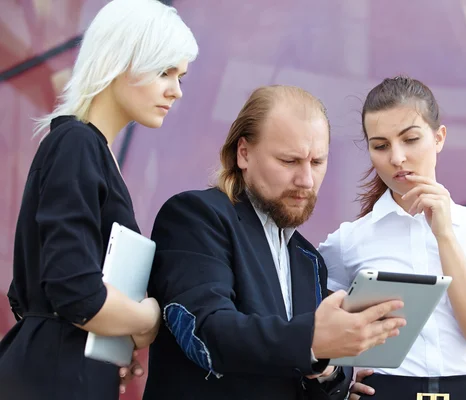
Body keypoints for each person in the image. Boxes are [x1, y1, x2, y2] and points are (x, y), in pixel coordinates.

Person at [142, 85, 406, 400]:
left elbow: (297, 373)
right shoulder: (195, 217)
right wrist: (313, 341)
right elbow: (206, 334)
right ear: (244, 153)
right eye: (289, 161)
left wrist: (333, 371)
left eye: (317, 162)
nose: (306, 180)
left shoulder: (309, 259)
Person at [0, 1, 198, 399]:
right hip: (54, 377)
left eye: (180, 75)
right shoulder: (77, 145)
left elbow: (37, 292)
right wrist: (147, 318)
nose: (176, 90)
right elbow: (75, 292)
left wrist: (110, 341)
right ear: (120, 61)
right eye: (164, 71)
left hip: (63, 368)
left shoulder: (86, 149)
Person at [318, 75, 466, 400]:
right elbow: (316, 337)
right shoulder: (347, 241)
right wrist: (339, 382)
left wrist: (444, 234)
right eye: (380, 145)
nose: (396, 157)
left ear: (439, 138)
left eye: (410, 139)